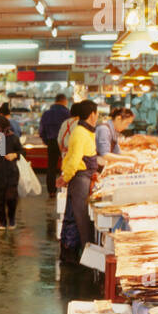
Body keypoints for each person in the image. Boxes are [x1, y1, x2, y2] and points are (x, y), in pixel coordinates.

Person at [59, 100, 102, 259]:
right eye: (97, 113)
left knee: (75, 215)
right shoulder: (80, 132)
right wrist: (66, 177)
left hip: (84, 177)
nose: (97, 116)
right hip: (80, 179)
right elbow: (74, 159)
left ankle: (74, 254)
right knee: (80, 218)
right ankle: (84, 256)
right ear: (92, 114)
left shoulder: (86, 131)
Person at [39, 94, 70, 200]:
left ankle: (51, 191)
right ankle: (65, 188)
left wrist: (46, 141)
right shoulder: (67, 113)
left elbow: (41, 130)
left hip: (51, 142)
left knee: (51, 167)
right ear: (64, 101)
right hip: (65, 143)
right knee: (66, 165)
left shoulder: (47, 114)